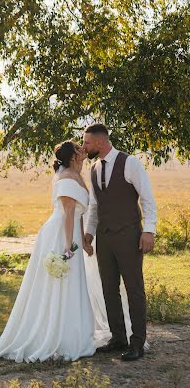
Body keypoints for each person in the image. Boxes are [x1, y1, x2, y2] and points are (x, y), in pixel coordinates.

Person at [0, 140, 96, 363]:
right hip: (59, 235)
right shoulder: (66, 179)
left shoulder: (78, 176)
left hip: (71, 233)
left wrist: (81, 240)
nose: (83, 150)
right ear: (73, 156)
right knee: (57, 283)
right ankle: (53, 335)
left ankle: (70, 332)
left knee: (70, 283)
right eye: (78, 149)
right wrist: (67, 244)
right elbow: (69, 212)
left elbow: (79, 213)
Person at [83, 123, 157, 361]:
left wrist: (149, 231)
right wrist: (89, 233)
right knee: (109, 289)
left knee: (134, 289)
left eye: (87, 143)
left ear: (101, 142)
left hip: (129, 236)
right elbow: (95, 207)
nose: (84, 147)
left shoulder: (130, 163)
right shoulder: (93, 169)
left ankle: (137, 342)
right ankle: (118, 338)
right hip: (104, 238)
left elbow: (147, 198)